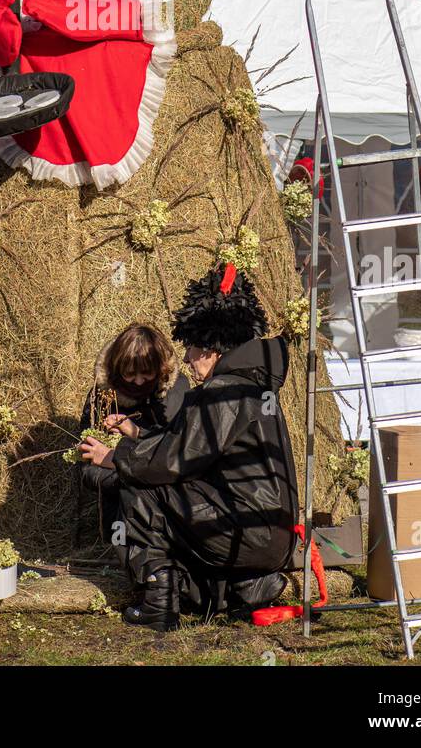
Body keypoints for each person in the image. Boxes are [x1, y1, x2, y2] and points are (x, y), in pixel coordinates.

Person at [79, 264, 299, 630]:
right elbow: (191, 448)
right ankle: (244, 588)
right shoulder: (249, 387)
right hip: (264, 533)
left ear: (212, 349)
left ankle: (159, 602)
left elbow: (173, 463)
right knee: (167, 493)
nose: (186, 358)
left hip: (248, 532)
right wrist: (136, 432)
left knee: (142, 488)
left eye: (192, 348)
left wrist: (113, 456)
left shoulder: (223, 393)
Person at [77, 324, 189, 544]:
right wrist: (124, 476)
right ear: (118, 369)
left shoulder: (176, 392)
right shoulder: (102, 397)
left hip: (169, 514)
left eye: (146, 373)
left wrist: (136, 435)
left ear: (160, 368)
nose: (138, 381)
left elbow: (179, 455)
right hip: (118, 509)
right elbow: (86, 468)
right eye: (130, 374)